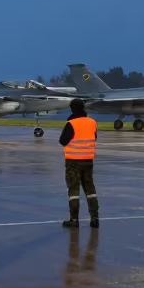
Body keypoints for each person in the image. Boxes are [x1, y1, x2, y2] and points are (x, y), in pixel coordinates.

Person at [59, 97, 99, 228]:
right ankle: (95, 218)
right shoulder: (92, 122)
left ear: (72, 109)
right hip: (88, 160)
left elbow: (63, 141)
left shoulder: (71, 123)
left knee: (73, 190)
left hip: (73, 161)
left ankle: (74, 219)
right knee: (90, 189)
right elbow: (94, 137)